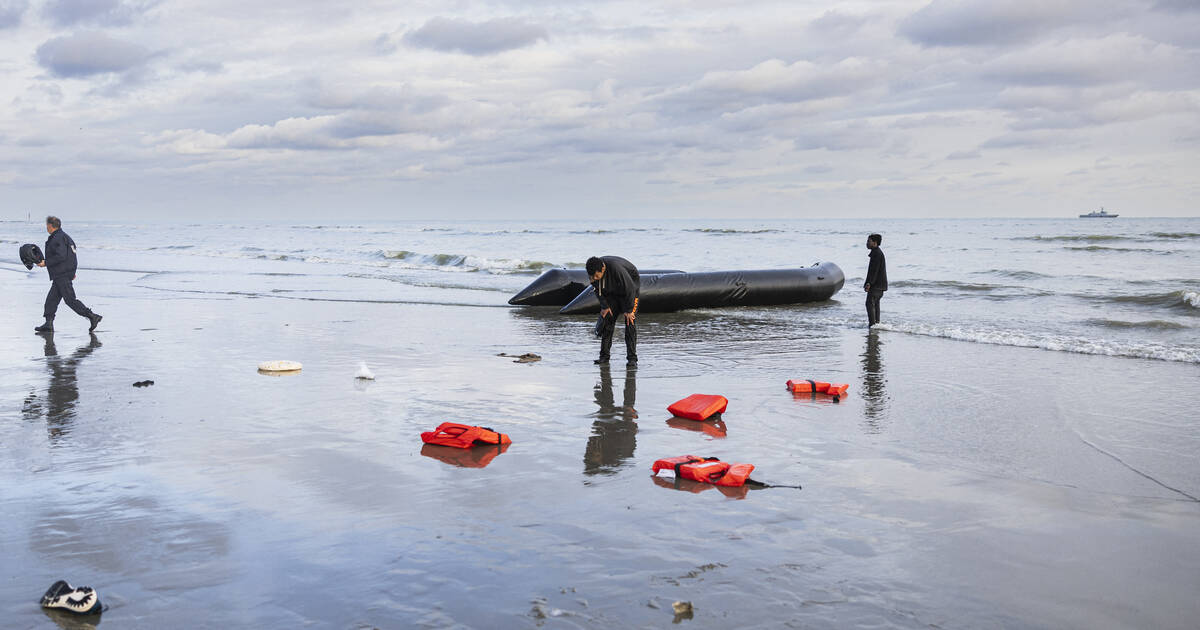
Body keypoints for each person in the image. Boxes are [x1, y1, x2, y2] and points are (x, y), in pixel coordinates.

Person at [34, 216, 102, 333]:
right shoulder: (65, 237)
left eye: (47, 225)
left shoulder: (58, 238)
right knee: (51, 300)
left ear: (50, 226)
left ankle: (92, 316)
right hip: (63, 273)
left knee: (70, 300)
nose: (46, 227)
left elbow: (61, 256)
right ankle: (48, 323)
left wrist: (46, 263)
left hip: (62, 274)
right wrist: (72, 272)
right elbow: (73, 256)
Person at [586, 255, 639, 365]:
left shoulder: (616, 268)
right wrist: (604, 306)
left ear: (603, 269)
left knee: (630, 322)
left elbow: (630, 289)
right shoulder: (593, 272)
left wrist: (629, 310)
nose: (594, 278)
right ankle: (604, 357)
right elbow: (597, 289)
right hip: (612, 290)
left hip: (630, 289)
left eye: (596, 276)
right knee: (608, 319)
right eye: (592, 276)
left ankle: (632, 358)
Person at [863, 233, 887, 327]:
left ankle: (872, 325)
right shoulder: (876, 252)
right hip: (880, 285)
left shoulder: (877, 254)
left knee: (869, 303)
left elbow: (874, 270)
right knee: (875, 305)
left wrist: (869, 283)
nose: (867, 243)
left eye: (869, 241)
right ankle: (876, 325)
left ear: (875, 243)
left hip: (876, 285)